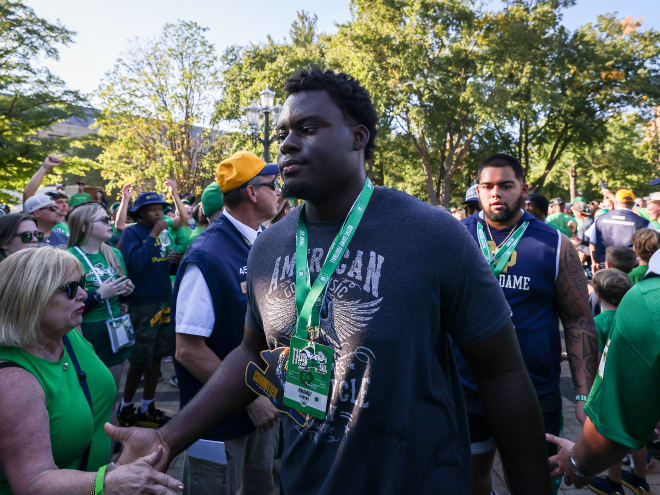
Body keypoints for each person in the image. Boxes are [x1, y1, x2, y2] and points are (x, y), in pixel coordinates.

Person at [107, 68, 551, 494]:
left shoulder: (432, 234)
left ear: (358, 137)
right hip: (306, 481)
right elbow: (251, 352)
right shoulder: (270, 245)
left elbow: (502, 372)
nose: (287, 145)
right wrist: (167, 440)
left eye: (308, 129)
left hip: (419, 479)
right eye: (283, 133)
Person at [458, 153, 598, 495]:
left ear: (523, 188)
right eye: (487, 186)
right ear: (478, 189)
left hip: (534, 389)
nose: (495, 194)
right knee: (470, 479)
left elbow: (579, 320)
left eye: (506, 186)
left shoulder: (555, 244)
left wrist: (582, 394)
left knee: (535, 483)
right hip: (465, 386)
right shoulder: (455, 238)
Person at [0, 247, 183, 494]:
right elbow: (32, 484)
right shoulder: (12, 380)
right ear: (32, 297)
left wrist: (119, 465)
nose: (85, 294)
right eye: (71, 288)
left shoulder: (69, 332)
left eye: (83, 283)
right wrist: (106, 483)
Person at [173, 152, 280, 495]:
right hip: (222, 423)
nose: (278, 192)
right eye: (272, 185)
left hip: (262, 412)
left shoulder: (260, 241)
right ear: (252, 192)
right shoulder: (207, 254)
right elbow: (188, 351)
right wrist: (249, 399)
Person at [547, 249, 660, 492]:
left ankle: (614, 482)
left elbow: (616, 422)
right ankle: (638, 480)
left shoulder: (648, 302)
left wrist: (578, 462)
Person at [585, 269, 650, 495]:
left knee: (611, 436)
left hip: (610, 389)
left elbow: (593, 359)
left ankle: (614, 483)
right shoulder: (634, 317)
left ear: (598, 294)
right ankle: (641, 480)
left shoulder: (598, 322)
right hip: (636, 384)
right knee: (637, 439)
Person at [117, 190, 177, 429]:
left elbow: (163, 266)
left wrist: (175, 260)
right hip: (142, 305)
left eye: (161, 209)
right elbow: (136, 264)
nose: (159, 213)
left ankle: (148, 407)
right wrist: (153, 234)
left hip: (164, 301)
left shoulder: (164, 234)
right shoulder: (132, 233)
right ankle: (126, 408)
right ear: (140, 213)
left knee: (156, 359)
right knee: (140, 361)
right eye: (153, 209)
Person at [67, 203, 135, 393]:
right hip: (87, 333)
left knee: (112, 394)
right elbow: (63, 305)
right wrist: (98, 296)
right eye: (104, 220)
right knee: (92, 395)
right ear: (84, 226)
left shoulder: (114, 253)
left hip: (116, 330)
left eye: (109, 218)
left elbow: (122, 296)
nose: (110, 222)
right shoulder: (68, 258)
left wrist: (126, 294)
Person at [587, 188, 649, 273]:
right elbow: (650, 246)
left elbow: (592, 242)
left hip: (605, 266)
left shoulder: (600, 219)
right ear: (633, 203)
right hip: (631, 268)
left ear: (615, 202)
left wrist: (594, 262)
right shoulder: (643, 222)